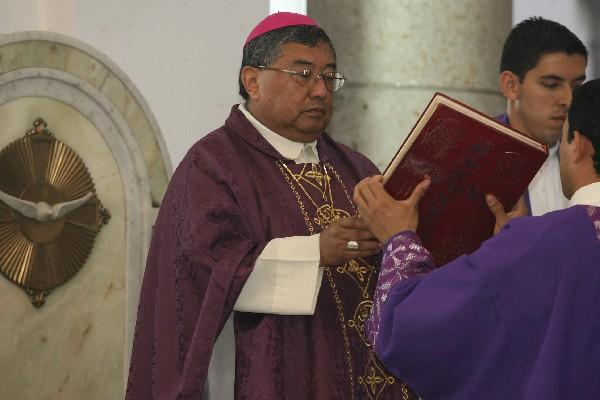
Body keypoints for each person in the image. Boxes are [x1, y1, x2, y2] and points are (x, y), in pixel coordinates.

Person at [126, 12, 414, 400]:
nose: (320, 91)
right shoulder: (212, 165)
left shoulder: (356, 168)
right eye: (303, 74)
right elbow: (202, 271)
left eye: (329, 76)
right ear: (253, 81)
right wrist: (316, 252)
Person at [354, 78, 600, 400]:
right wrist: (514, 246)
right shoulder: (540, 242)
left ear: (577, 144)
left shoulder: (544, 242)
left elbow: (410, 327)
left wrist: (400, 240)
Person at [498, 17, 587, 215]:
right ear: (510, 86)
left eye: (578, 86)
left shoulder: (592, 154)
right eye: (551, 84)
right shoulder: (474, 161)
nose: (569, 99)